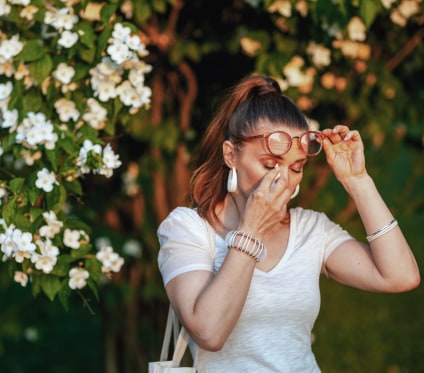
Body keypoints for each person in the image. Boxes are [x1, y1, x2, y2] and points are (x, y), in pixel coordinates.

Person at [156, 74, 420, 372]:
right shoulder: (187, 228)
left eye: (296, 167)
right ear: (231, 154)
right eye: (269, 164)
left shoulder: (310, 229)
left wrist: (357, 180)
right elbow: (209, 332)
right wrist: (251, 228)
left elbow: (400, 277)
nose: (283, 178)